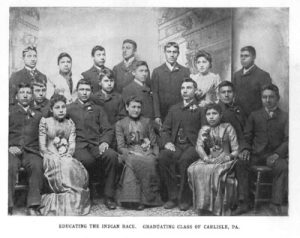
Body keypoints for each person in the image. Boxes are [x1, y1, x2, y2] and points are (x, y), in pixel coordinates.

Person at [233, 84, 288, 215]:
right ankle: (244, 202)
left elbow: (289, 139)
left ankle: (276, 203)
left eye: (271, 97)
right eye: (264, 97)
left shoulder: (285, 117)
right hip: (256, 154)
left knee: (282, 166)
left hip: (274, 156)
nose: (267, 100)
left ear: (277, 98)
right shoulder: (254, 115)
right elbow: (246, 137)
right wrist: (245, 149)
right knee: (240, 163)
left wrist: (277, 153)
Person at [67, 79, 119, 210]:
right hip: (79, 146)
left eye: (87, 90)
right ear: (76, 91)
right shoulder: (69, 108)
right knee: (87, 160)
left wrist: (105, 142)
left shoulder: (98, 109)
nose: (84, 93)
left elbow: (108, 128)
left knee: (111, 155)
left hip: (96, 144)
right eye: (81, 90)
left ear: (91, 92)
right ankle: (87, 194)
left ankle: (109, 196)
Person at [39, 94, 90, 216]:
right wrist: (53, 156)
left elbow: (72, 144)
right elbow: (42, 147)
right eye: (57, 107)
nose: (61, 110)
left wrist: (68, 154)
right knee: (64, 166)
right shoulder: (45, 122)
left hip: (66, 156)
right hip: (50, 156)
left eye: (63, 107)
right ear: (51, 109)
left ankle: (73, 202)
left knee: (71, 165)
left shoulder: (70, 123)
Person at [157, 78, 203, 211]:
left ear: (195, 91)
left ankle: (184, 199)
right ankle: (172, 197)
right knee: (163, 157)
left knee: (185, 161)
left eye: (189, 88)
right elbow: (165, 129)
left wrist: (198, 145)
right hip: (175, 145)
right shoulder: (174, 109)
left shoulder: (201, 109)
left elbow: (205, 130)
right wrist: (167, 142)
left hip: (193, 146)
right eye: (183, 88)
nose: (185, 91)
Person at [187, 103, 239, 216]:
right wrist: (205, 158)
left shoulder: (228, 127)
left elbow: (236, 150)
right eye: (208, 114)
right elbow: (199, 146)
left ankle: (217, 208)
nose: (211, 116)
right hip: (210, 159)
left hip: (226, 159)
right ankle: (204, 206)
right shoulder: (204, 129)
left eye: (214, 113)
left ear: (220, 115)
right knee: (194, 169)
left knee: (216, 172)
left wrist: (227, 157)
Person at [115, 96, 162, 210]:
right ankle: (131, 199)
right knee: (132, 161)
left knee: (150, 161)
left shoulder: (147, 121)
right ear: (127, 107)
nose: (136, 110)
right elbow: (121, 146)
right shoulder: (120, 124)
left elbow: (154, 142)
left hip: (146, 150)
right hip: (129, 151)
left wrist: (155, 155)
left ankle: (147, 200)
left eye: (139, 107)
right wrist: (130, 153)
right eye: (133, 107)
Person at [8, 83, 43, 215]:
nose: (25, 95)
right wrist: (8, 147)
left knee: (37, 165)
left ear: (32, 95)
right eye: (22, 92)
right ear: (16, 96)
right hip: (12, 150)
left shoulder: (38, 115)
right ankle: (7, 204)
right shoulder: (9, 113)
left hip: (31, 151)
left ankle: (33, 205)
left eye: (28, 92)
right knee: (8, 166)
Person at [151, 42, 190, 127]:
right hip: (163, 114)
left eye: (174, 52)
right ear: (165, 53)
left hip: (181, 111)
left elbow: (188, 93)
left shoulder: (185, 71)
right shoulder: (157, 72)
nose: (172, 55)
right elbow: (155, 94)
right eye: (169, 52)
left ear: (178, 53)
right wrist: (157, 115)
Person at [232, 46, 272, 116]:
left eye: (246, 56)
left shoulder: (263, 75)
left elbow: (267, 99)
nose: (243, 58)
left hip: (255, 117)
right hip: (238, 117)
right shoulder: (236, 75)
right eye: (241, 56)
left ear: (254, 57)